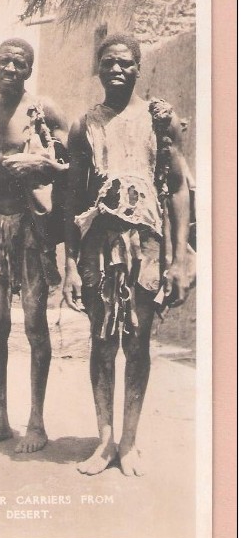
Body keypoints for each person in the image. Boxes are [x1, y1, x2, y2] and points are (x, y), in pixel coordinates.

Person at [63, 34, 191, 476]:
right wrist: (71, 266)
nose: (116, 69)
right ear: (98, 69)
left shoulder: (160, 121)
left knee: (137, 344)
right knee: (102, 343)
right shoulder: (84, 126)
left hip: (147, 246)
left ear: (139, 69)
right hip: (99, 246)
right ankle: (104, 441)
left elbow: (177, 189)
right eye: (108, 63)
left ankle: (130, 441)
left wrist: (178, 260)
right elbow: (74, 198)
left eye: (125, 63)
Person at [0, 38, 68, 453]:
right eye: (4, 61)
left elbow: (73, 164)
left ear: (28, 70)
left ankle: (36, 423)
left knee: (35, 323)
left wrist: (41, 163)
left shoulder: (44, 110)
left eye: (19, 63)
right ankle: (0, 419)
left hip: (31, 227)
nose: (10, 68)